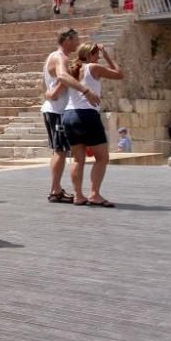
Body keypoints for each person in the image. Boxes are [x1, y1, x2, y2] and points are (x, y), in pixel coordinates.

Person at [58, 42, 123, 207]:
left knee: (77, 159)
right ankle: (94, 194)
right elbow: (119, 74)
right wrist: (107, 55)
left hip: (69, 115)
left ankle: (78, 196)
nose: (98, 58)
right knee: (102, 157)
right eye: (97, 55)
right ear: (89, 55)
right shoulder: (93, 67)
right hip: (87, 115)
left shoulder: (73, 69)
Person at [42, 28, 88, 203]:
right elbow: (61, 78)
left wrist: (49, 93)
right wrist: (84, 90)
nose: (78, 42)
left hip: (56, 108)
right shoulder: (61, 57)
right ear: (67, 40)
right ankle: (54, 190)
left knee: (61, 149)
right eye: (76, 39)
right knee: (60, 150)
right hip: (57, 110)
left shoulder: (53, 56)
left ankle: (57, 188)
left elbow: (45, 84)